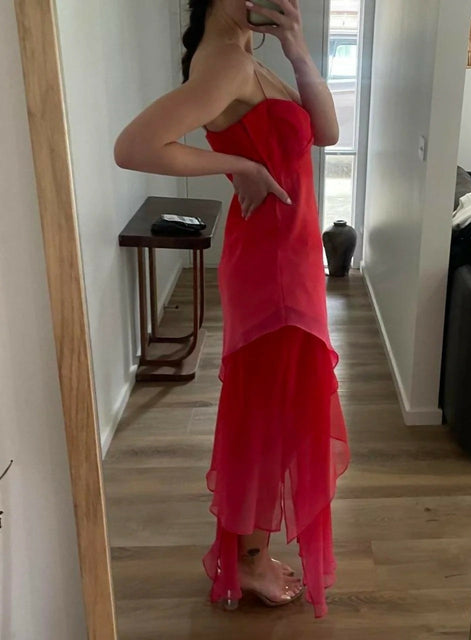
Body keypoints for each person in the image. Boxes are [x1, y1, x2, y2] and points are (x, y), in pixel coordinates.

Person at [114, 0, 350, 618]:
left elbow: (326, 133)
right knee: (268, 418)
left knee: (275, 412)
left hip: (287, 258)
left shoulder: (245, 56)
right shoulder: (224, 63)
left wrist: (297, 48)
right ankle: (249, 561)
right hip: (273, 270)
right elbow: (134, 147)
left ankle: (250, 553)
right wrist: (238, 164)